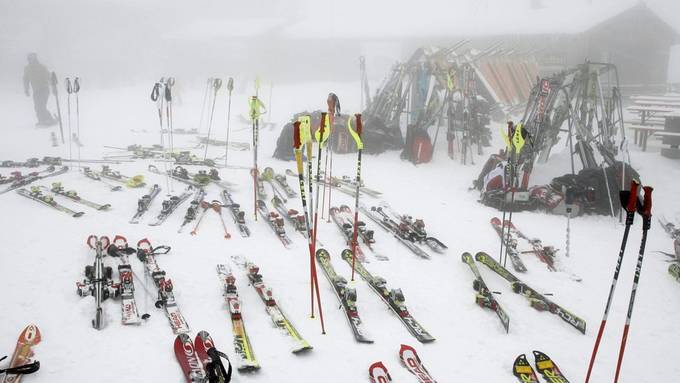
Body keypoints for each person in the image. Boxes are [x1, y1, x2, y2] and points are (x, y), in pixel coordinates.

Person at [23, 53, 56, 126]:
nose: (31, 60)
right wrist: (26, 89)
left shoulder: (41, 67)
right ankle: (42, 120)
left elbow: (49, 77)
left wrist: (54, 87)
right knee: (37, 107)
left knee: (41, 106)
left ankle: (49, 120)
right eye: (29, 58)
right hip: (36, 90)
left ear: (35, 59)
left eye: (32, 58)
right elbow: (26, 79)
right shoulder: (27, 69)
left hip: (44, 89)